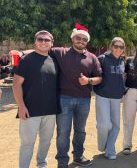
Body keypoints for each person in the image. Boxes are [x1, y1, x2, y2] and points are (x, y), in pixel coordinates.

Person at [13, 23, 103, 167]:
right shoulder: (60, 52)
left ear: (87, 42)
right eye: (78, 38)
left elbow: (99, 78)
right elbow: (41, 49)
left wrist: (88, 80)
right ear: (73, 39)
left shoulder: (92, 57)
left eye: (84, 39)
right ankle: (62, 162)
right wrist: (21, 53)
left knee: (80, 131)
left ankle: (78, 156)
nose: (81, 41)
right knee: (62, 133)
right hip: (64, 99)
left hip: (83, 100)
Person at [12, 30, 59, 168]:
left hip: (50, 110)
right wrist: (21, 106)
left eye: (47, 40)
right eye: (40, 39)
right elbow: (16, 84)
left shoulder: (54, 60)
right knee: (27, 142)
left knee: (46, 141)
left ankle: (42, 164)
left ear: (52, 43)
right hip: (30, 110)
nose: (43, 42)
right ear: (35, 42)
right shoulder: (26, 60)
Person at [93, 37, 126, 160]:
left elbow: (123, 77)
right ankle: (102, 146)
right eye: (116, 46)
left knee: (116, 125)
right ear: (111, 46)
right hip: (103, 95)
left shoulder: (123, 60)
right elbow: (94, 74)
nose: (118, 49)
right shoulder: (102, 59)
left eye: (121, 47)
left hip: (117, 97)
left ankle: (110, 150)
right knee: (105, 125)